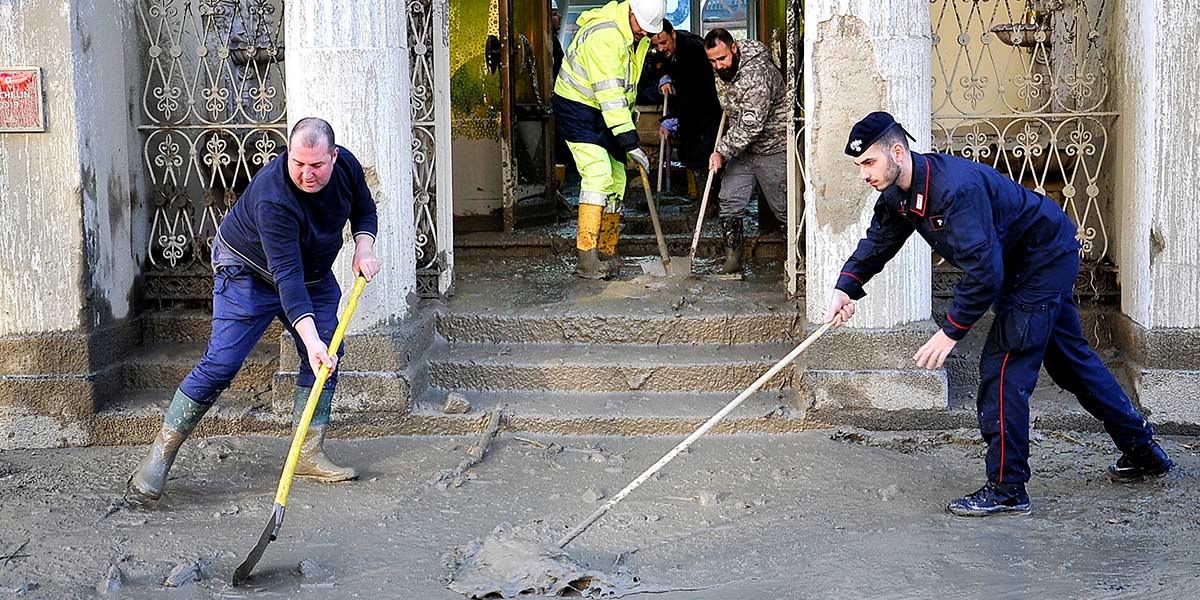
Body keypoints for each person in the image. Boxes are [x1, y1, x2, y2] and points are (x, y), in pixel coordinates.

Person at [825, 111, 1174, 517]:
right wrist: (845, 286)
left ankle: (1008, 489)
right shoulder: (897, 195)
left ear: (898, 152)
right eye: (859, 165)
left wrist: (950, 331)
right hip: (1021, 263)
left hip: (1041, 260)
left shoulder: (955, 190)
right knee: (1071, 364)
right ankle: (1144, 452)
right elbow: (879, 242)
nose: (864, 174)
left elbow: (985, 273)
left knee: (1005, 368)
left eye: (869, 162)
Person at [126, 117, 383, 505]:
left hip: (311, 271)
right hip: (248, 269)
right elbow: (287, 278)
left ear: (333, 156)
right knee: (222, 363)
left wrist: (364, 248)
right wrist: (310, 340)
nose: (307, 174)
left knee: (327, 353)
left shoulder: (346, 166)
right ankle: (159, 456)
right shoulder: (272, 197)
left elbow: (364, 209)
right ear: (288, 153)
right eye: (298, 163)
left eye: (316, 165)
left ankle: (308, 453)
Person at [552, 0, 666, 279]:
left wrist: (628, 125)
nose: (646, 33)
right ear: (631, 12)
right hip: (578, 108)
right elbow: (611, 95)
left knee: (617, 178)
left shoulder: (636, 35)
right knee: (598, 173)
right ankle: (587, 258)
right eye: (643, 27)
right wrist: (631, 143)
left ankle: (606, 248)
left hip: (606, 111)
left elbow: (625, 89)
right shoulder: (605, 36)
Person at [703, 28, 788, 274]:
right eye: (712, 61)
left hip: (773, 146)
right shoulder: (724, 69)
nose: (718, 66)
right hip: (743, 150)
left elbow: (751, 126)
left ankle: (799, 258)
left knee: (784, 208)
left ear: (735, 48)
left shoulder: (757, 75)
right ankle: (732, 261)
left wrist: (721, 150)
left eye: (722, 59)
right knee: (729, 198)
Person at [649, 20, 723, 208]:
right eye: (656, 44)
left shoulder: (693, 51)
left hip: (706, 107)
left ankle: (709, 205)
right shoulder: (663, 50)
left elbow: (695, 92)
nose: (660, 48)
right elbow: (657, 62)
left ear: (672, 34)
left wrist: (673, 118)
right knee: (690, 152)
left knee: (703, 155)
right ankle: (702, 202)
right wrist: (663, 76)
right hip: (688, 107)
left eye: (663, 42)